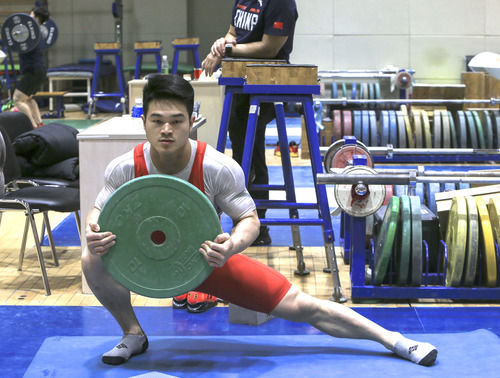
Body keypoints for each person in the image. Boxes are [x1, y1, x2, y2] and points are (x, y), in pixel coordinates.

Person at [82, 74, 438, 367]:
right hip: (143, 260)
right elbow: (99, 211)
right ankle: (133, 334)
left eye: (176, 122)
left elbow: (249, 220)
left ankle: (396, 341)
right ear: (143, 121)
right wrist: (93, 231)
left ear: (192, 121)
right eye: (157, 121)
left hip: (205, 261)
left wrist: (232, 245)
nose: (166, 131)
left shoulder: (215, 167)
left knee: (303, 305)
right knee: (91, 258)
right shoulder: (125, 167)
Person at [202, 0, 299, 246]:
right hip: (240, 80)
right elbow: (234, 33)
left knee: (249, 149)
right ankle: (242, 217)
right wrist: (221, 44)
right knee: (239, 150)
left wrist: (228, 50)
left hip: (267, 82)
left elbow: (270, 47)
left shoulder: (281, 3)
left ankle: (257, 225)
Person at [12, 6, 49, 129]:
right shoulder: (40, 32)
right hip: (39, 70)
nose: (28, 17)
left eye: (31, 15)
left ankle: (32, 126)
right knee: (28, 99)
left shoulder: (30, 34)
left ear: (36, 19)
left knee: (17, 99)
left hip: (32, 71)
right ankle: (39, 124)